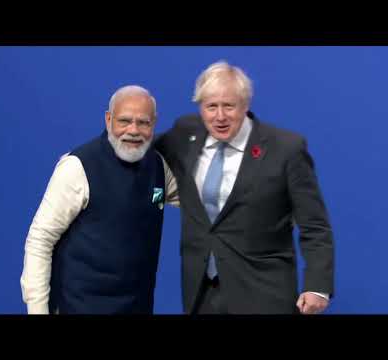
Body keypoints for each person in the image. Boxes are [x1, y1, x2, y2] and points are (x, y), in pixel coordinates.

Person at [155, 61, 334, 314]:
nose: (220, 116)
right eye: (211, 107)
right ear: (200, 107)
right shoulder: (185, 134)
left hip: (265, 292)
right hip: (201, 292)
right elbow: (141, 150)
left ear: (245, 105)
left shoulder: (285, 149)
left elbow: (314, 224)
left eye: (229, 106)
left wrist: (317, 286)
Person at [20, 85, 178, 314]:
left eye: (143, 122)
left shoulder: (159, 167)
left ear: (153, 123)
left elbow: (203, 203)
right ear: (108, 119)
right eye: (124, 121)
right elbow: (40, 241)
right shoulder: (77, 167)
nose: (133, 130)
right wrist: (37, 310)